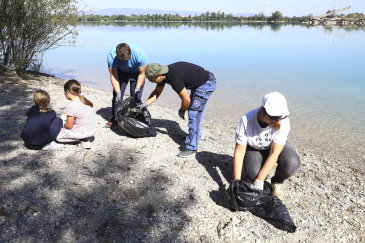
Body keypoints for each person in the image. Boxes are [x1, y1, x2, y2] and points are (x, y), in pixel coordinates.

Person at [232, 91, 300, 200]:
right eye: (273, 118)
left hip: (273, 147)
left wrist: (259, 181)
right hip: (254, 148)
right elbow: (239, 152)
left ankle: (277, 181)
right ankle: (258, 169)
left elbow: (275, 153)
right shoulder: (246, 120)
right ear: (263, 110)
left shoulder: (283, 121)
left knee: (292, 163)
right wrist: (236, 181)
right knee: (253, 175)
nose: (276, 121)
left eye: (279, 117)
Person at [141, 62, 217, 158]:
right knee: (196, 112)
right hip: (199, 82)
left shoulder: (174, 79)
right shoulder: (163, 74)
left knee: (194, 113)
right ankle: (195, 137)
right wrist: (145, 104)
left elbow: (186, 100)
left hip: (206, 83)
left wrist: (181, 110)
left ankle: (191, 147)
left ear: (160, 75)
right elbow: (157, 92)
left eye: (152, 79)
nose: (151, 81)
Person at [106, 43, 148, 127]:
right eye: (123, 60)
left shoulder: (140, 54)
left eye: (127, 59)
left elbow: (142, 73)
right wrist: (118, 91)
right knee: (117, 97)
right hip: (120, 73)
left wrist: (137, 88)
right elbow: (113, 75)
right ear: (117, 55)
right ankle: (115, 117)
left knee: (136, 97)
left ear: (130, 53)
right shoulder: (111, 55)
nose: (126, 62)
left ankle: (134, 118)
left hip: (137, 73)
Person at [56, 79, 97, 149]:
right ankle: (84, 139)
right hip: (92, 131)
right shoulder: (84, 100)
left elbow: (69, 126)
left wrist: (63, 124)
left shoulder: (71, 106)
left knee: (57, 137)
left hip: (83, 132)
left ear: (67, 91)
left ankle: (81, 139)